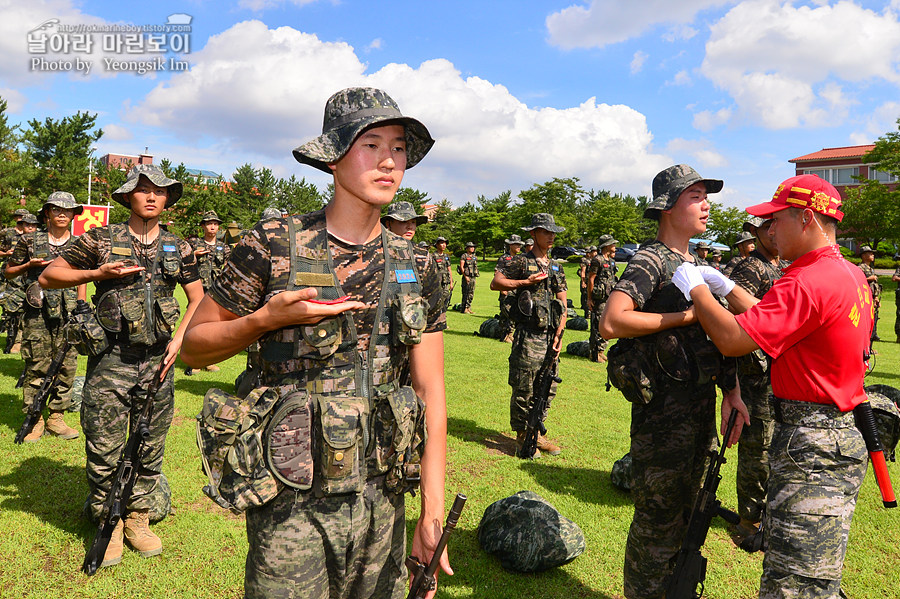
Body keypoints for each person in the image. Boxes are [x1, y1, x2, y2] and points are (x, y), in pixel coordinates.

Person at [179, 87, 450, 599]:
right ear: (333, 157)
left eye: (398, 147)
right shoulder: (273, 243)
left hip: (383, 496)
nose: (389, 161)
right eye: (370, 145)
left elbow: (430, 390)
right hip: (291, 498)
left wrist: (430, 509)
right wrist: (262, 320)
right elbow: (194, 347)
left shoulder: (422, 264)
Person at [670, 173, 872, 599]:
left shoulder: (807, 281)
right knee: (811, 569)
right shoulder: (844, 273)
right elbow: (777, 319)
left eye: (776, 219)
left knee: (796, 583)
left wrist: (699, 289)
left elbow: (732, 339)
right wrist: (728, 288)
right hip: (829, 438)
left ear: (806, 218)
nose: (769, 230)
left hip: (812, 447)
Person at [40, 164, 204, 568]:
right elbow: (49, 275)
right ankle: (107, 521)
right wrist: (97, 272)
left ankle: (138, 517)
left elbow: (199, 299)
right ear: (128, 197)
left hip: (158, 363)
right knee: (105, 445)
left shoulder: (177, 245)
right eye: (143, 190)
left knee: (150, 444)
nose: (151, 197)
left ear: (167, 199)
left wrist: (180, 337)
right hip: (111, 360)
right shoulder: (101, 239)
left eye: (159, 192)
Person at [597, 164, 738, 599]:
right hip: (662, 418)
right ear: (668, 207)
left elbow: (716, 338)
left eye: (705, 196)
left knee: (688, 516)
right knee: (656, 524)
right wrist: (687, 314)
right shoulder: (651, 259)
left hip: (699, 412)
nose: (707, 205)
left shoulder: (697, 263)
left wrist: (731, 393)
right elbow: (613, 321)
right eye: (696, 196)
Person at [726, 216, 788, 544]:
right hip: (755, 373)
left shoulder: (785, 266)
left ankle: (766, 514)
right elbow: (734, 313)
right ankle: (749, 520)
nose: (774, 234)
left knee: (774, 445)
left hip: (780, 372)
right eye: (767, 228)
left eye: (778, 226)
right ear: (756, 232)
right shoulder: (753, 267)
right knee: (757, 448)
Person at [4, 193, 86, 442]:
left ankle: (56, 418)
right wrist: (29, 265)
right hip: (36, 312)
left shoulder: (80, 243)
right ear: (47, 212)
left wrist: (81, 306)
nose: (62, 213)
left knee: (67, 365)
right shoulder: (30, 241)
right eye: (57, 209)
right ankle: (36, 420)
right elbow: (8, 272)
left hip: (68, 312)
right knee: (36, 365)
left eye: (68, 209)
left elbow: (82, 276)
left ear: (73, 214)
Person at [491, 213, 567, 459]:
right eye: (546, 232)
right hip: (529, 334)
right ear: (534, 234)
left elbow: (562, 301)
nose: (551, 236)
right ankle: (523, 435)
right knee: (524, 385)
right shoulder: (521, 262)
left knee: (548, 385)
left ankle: (538, 432)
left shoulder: (556, 265)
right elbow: (496, 283)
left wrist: (560, 333)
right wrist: (525, 282)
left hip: (550, 335)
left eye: (553, 232)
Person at [186, 210, 231, 375]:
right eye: (209, 223)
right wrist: (193, 256)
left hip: (216, 292)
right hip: (198, 290)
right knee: (195, 325)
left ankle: (209, 361)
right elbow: (182, 263)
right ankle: (194, 361)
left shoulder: (223, 247)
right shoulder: (193, 245)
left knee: (213, 326)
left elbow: (228, 268)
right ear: (203, 226)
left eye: (215, 224)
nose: (212, 226)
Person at [1, 210, 37, 354]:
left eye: (33, 225)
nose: (29, 228)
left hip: (34, 280)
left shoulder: (42, 240)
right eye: (26, 224)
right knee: (12, 311)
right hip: (14, 279)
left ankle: (22, 341)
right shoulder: (10, 235)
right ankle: (13, 341)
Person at [586, 235, 617, 363]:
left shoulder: (611, 261)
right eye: (613, 244)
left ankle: (601, 351)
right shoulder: (597, 260)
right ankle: (595, 353)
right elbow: (591, 279)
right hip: (599, 298)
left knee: (607, 323)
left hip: (609, 297)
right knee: (598, 324)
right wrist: (589, 298)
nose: (615, 246)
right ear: (607, 246)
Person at [496, 234, 524, 343]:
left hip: (517, 289)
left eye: (519, 245)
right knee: (507, 311)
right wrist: (503, 288)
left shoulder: (521, 258)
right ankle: (506, 334)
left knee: (514, 311)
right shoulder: (504, 258)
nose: (519, 247)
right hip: (507, 288)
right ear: (510, 245)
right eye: (516, 244)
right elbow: (497, 273)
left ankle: (509, 334)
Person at [858, 246, 881, 346]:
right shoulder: (860, 268)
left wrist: (876, 298)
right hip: (864, 299)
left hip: (871, 298)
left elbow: (873, 286)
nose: (873, 255)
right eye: (870, 253)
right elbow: (856, 281)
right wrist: (869, 278)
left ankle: (869, 346)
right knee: (864, 323)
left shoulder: (870, 268)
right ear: (863, 255)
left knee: (871, 322)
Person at [432, 236, 454, 312]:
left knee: (446, 296)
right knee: (437, 298)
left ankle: (442, 314)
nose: (444, 245)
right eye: (441, 243)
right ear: (437, 245)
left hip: (445, 281)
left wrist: (451, 282)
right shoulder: (433, 256)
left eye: (445, 243)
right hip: (436, 281)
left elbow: (449, 269)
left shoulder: (446, 256)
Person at [459, 241, 478, 313]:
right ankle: (464, 308)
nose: (472, 248)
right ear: (467, 248)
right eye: (471, 247)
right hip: (466, 276)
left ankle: (468, 307)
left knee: (471, 292)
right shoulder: (464, 256)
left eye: (473, 247)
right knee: (465, 292)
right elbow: (461, 266)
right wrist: (465, 276)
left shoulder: (474, 257)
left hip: (473, 277)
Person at [579, 246, 597, 318]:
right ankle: (587, 313)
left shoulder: (595, 260)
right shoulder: (584, 260)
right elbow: (583, 271)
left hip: (594, 281)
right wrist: (583, 282)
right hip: (587, 280)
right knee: (586, 296)